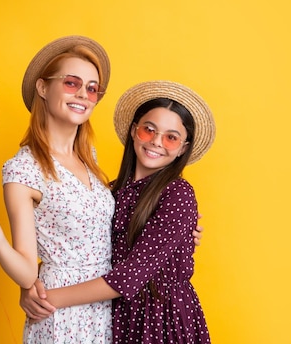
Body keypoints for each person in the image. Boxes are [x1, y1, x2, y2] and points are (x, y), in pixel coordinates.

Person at [0, 36, 203, 343]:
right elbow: (28, 268)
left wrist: (182, 233)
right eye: (71, 83)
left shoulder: (90, 160)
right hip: (64, 309)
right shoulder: (24, 169)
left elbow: (117, 230)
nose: (83, 94)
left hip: (111, 309)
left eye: (91, 88)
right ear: (43, 88)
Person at [20, 80, 215, 343]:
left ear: (182, 148)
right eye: (149, 130)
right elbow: (75, 244)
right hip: (118, 314)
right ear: (134, 131)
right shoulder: (109, 193)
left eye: (171, 137)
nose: (157, 142)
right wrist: (33, 283)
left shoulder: (177, 194)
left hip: (161, 320)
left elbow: (130, 276)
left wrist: (45, 299)